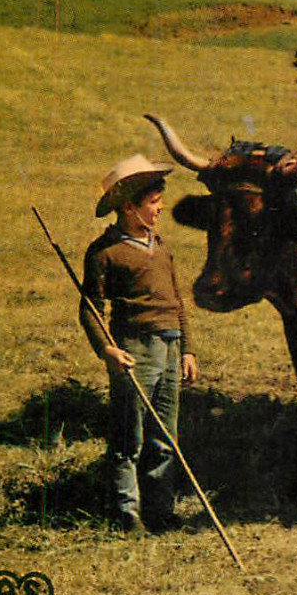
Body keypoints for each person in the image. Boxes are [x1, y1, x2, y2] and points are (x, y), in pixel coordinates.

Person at [80, 154, 197, 533]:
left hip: (170, 347)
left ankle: (161, 510)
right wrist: (107, 349)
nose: (160, 207)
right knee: (128, 435)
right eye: (153, 202)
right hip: (135, 349)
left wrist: (189, 349)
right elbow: (90, 310)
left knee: (165, 436)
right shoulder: (104, 253)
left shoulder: (161, 246)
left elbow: (177, 302)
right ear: (129, 207)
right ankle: (126, 512)